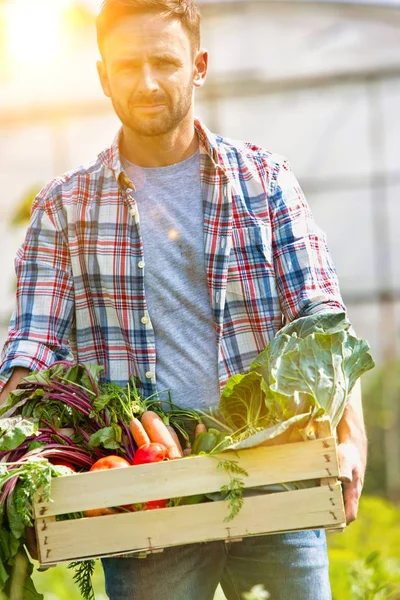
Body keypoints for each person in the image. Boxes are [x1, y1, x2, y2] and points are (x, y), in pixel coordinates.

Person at [0, 1, 367, 598]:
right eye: (128, 65)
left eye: (165, 61)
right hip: (145, 496)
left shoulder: (264, 181)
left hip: (277, 477)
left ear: (197, 65)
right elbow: (32, 348)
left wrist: (350, 442)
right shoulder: (64, 209)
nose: (146, 82)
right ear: (102, 76)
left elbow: (323, 323)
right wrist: (8, 455)